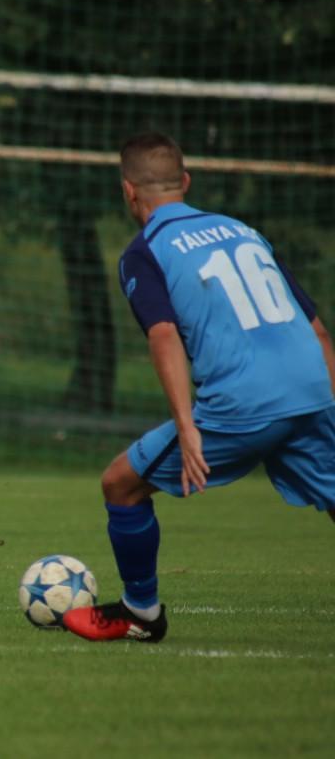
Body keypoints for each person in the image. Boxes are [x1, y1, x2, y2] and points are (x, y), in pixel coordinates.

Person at [63, 131, 335, 643]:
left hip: (244, 403)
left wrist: (187, 427)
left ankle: (141, 611)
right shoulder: (245, 232)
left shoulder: (145, 251)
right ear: (185, 182)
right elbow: (318, 331)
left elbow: (163, 335)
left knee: (120, 484)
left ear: (128, 192)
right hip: (313, 387)